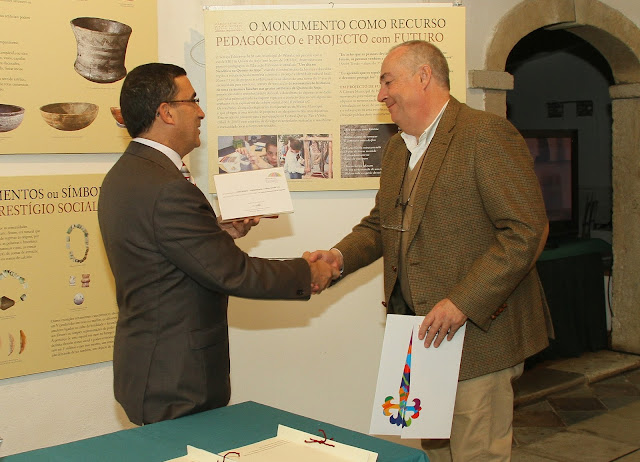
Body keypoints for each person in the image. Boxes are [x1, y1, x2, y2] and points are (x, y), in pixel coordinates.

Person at [306, 41, 553, 461]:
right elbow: (382, 224)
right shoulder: (398, 148)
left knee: (477, 454)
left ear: (423, 77)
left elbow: (526, 230)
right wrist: (339, 257)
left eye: (388, 82)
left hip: (479, 339)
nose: (381, 95)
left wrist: (462, 302)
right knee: (436, 453)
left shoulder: (485, 134)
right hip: (420, 338)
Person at [98, 63, 337, 426]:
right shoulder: (166, 187)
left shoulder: (127, 174)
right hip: (175, 377)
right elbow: (234, 273)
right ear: (166, 112)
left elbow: (164, 255)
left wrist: (216, 232)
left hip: (151, 367)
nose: (201, 112)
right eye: (192, 100)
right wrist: (310, 272)